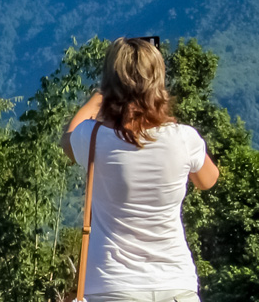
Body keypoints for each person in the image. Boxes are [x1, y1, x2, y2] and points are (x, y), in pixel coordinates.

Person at [61, 37, 220, 302]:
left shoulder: (92, 137)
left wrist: (98, 98)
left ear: (110, 83)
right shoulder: (184, 138)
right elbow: (208, 179)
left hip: (112, 286)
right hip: (176, 285)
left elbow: (68, 138)